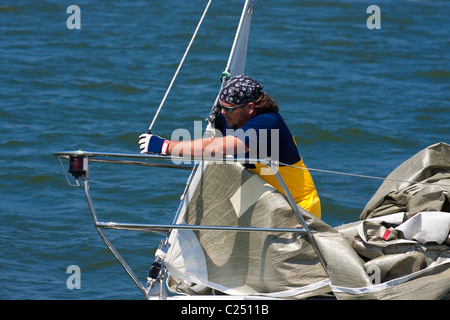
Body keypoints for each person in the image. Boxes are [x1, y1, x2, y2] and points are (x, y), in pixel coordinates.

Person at [139, 75, 321, 218]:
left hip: (300, 209)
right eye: (221, 107)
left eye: (229, 109)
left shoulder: (267, 123)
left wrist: (165, 146)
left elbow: (217, 149)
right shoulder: (235, 118)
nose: (223, 113)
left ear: (250, 108)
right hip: (269, 203)